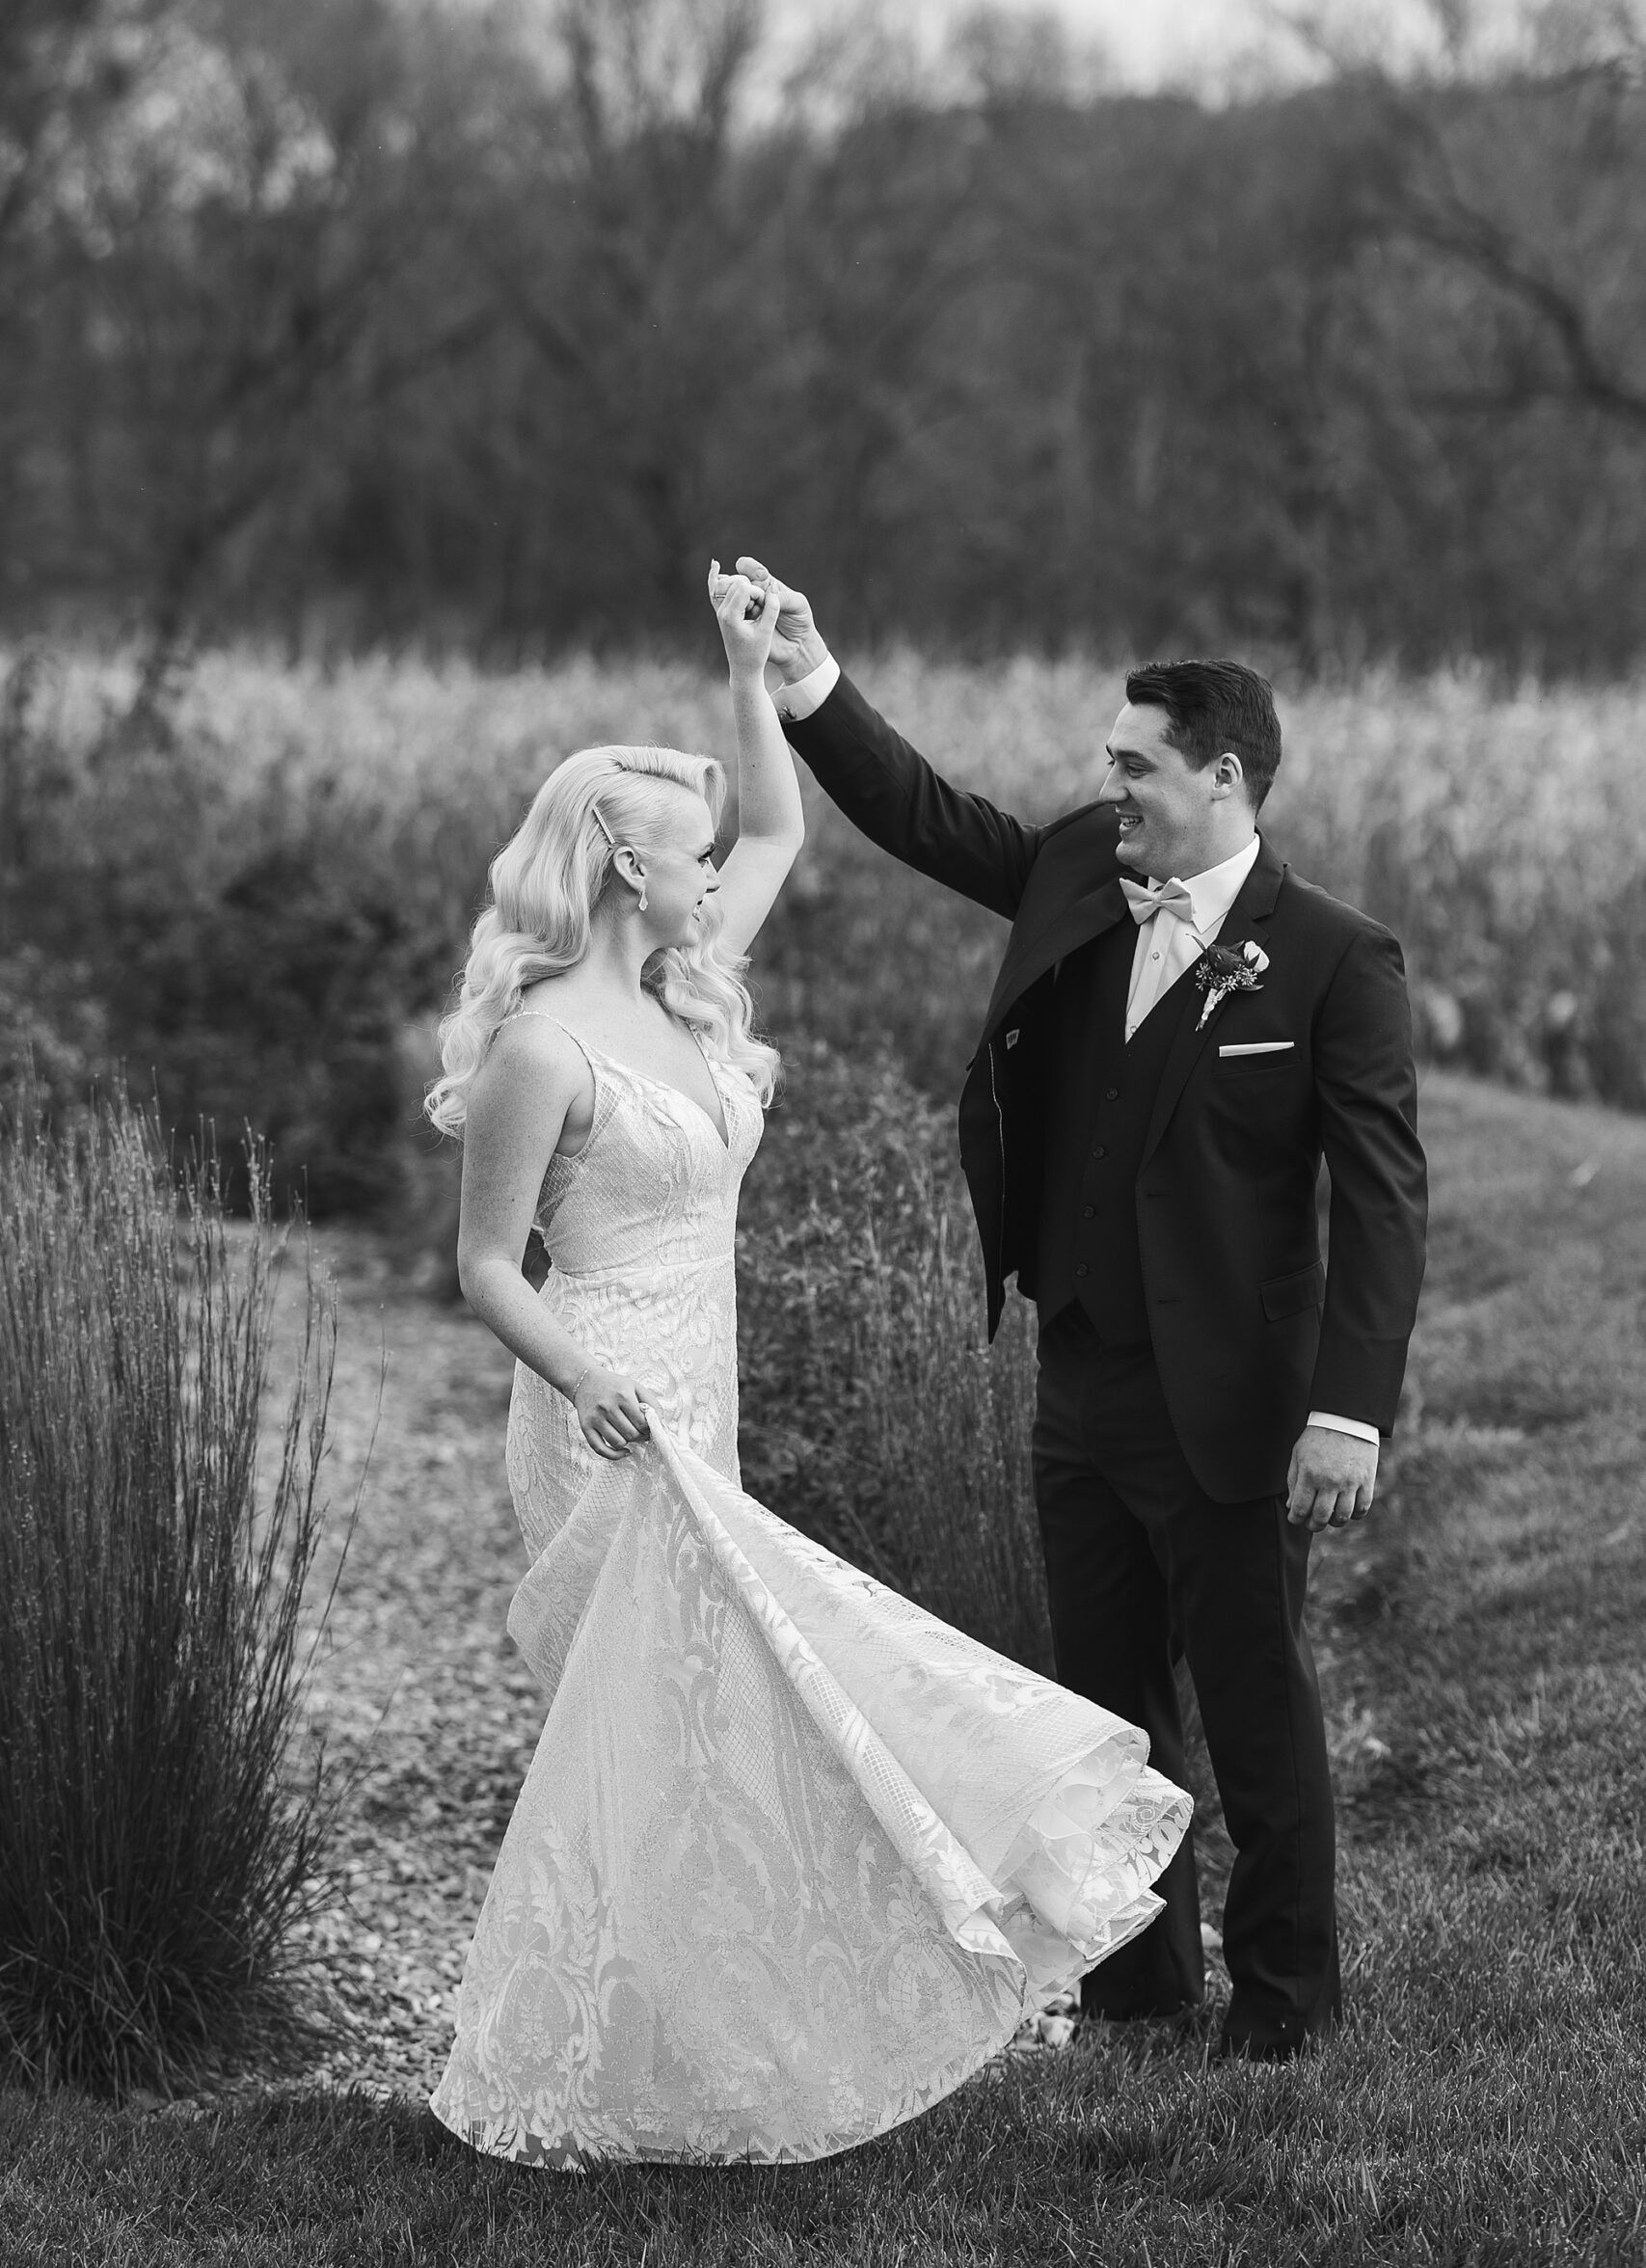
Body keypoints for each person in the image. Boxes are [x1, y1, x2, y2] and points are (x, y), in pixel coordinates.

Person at [422, 567, 1190, 2168]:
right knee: (661, 1734)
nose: (726, 875)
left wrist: (747, 668)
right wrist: (581, 1383)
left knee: (711, 1741)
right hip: (609, 1413)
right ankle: (606, 2062)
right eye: (690, 859)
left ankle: (708, 2051)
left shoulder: (685, 989)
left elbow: (773, 828)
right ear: (631, 871)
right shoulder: (543, 1046)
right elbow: (488, 1267)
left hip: (706, 1388)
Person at [748, 560, 1428, 2062]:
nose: (1106, 781)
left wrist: (1347, 1409)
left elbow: (1384, 1201)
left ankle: (1283, 2011)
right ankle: (1136, 1988)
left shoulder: (1334, 958)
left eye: (1135, 763)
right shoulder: (1076, 868)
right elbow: (931, 817)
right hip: (1084, 1375)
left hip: (1239, 1401)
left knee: (1254, 1709)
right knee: (1106, 1707)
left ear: (1225, 776)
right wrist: (809, 677)